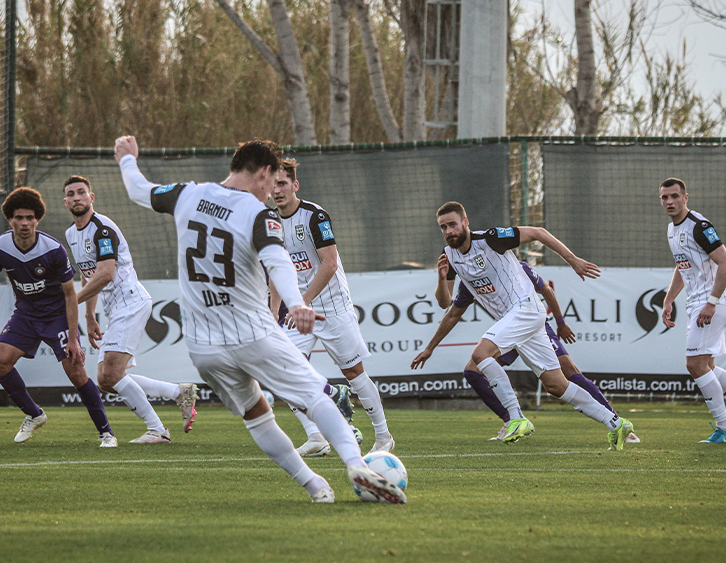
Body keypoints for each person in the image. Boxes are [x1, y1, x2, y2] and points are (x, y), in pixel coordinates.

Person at [116, 135, 405, 503]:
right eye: (272, 183)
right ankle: (356, 464)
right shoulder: (257, 213)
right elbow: (278, 260)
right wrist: (297, 302)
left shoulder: (187, 195)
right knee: (317, 395)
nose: (272, 192)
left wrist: (128, 158)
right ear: (264, 173)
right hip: (251, 334)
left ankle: (315, 486)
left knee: (258, 416)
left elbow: (139, 190)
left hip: (204, 348)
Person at [417, 202, 633, 450]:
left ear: (465, 222)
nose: (448, 231)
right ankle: (616, 423)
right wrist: (441, 278)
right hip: (519, 321)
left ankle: (516, 418)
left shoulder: (491, 239)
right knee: (556, 385)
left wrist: (572, 260)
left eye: (452, 224)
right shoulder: (451, 256)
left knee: (480, 355)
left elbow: (539, 233)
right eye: (443, 227)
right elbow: (446, 304)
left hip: (526, 309)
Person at [0, 187, 117, 447]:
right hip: (26, 315)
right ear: (10, 219)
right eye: (19, 218)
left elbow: (71, 295)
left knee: (75, 371)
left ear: (38, 219)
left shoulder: (53, 250)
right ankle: (34, 414)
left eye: (30, 218)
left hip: (56, 315)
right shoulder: (0, 247)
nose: (25, 223)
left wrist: (73, 338)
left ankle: (106, 433)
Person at [63, 175, 199, 443]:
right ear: (65, 201)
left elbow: (105, 274)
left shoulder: (102, 229)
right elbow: (88, 275)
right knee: (105, 379)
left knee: (111, 373)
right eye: (71, 194)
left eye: (81, 192)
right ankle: (178, 392)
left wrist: (72, 301)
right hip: (115, 309)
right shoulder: (71, 234)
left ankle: (158, 430)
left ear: (92, 198)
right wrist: (90, 315)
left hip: (131, 301)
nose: (76, 197)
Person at [268, 159, 391, 456]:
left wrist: (304, 301)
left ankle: (384, 436)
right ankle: (317, 436)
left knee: (355, 374)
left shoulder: (314, 215)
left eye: (282, 183)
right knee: (286, 372)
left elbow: (330, 263)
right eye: (272, 184)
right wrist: (275, 310)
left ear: (295, 186)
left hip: (332, 306)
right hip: (297, 310)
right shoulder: (268, 221)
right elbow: (274, 267)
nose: (277, 190)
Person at [657, 178, 726, 443]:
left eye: (675, 196)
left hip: (712, 302)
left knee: (694, 364)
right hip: (696, 302)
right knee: (707, 366)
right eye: (665, 197)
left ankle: (723, 427)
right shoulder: (671, 229)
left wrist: (711, 301)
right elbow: (681, 264)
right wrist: (669, 299)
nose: (670, 202)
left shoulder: (699, 226)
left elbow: (724, 261)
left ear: (686, 198)